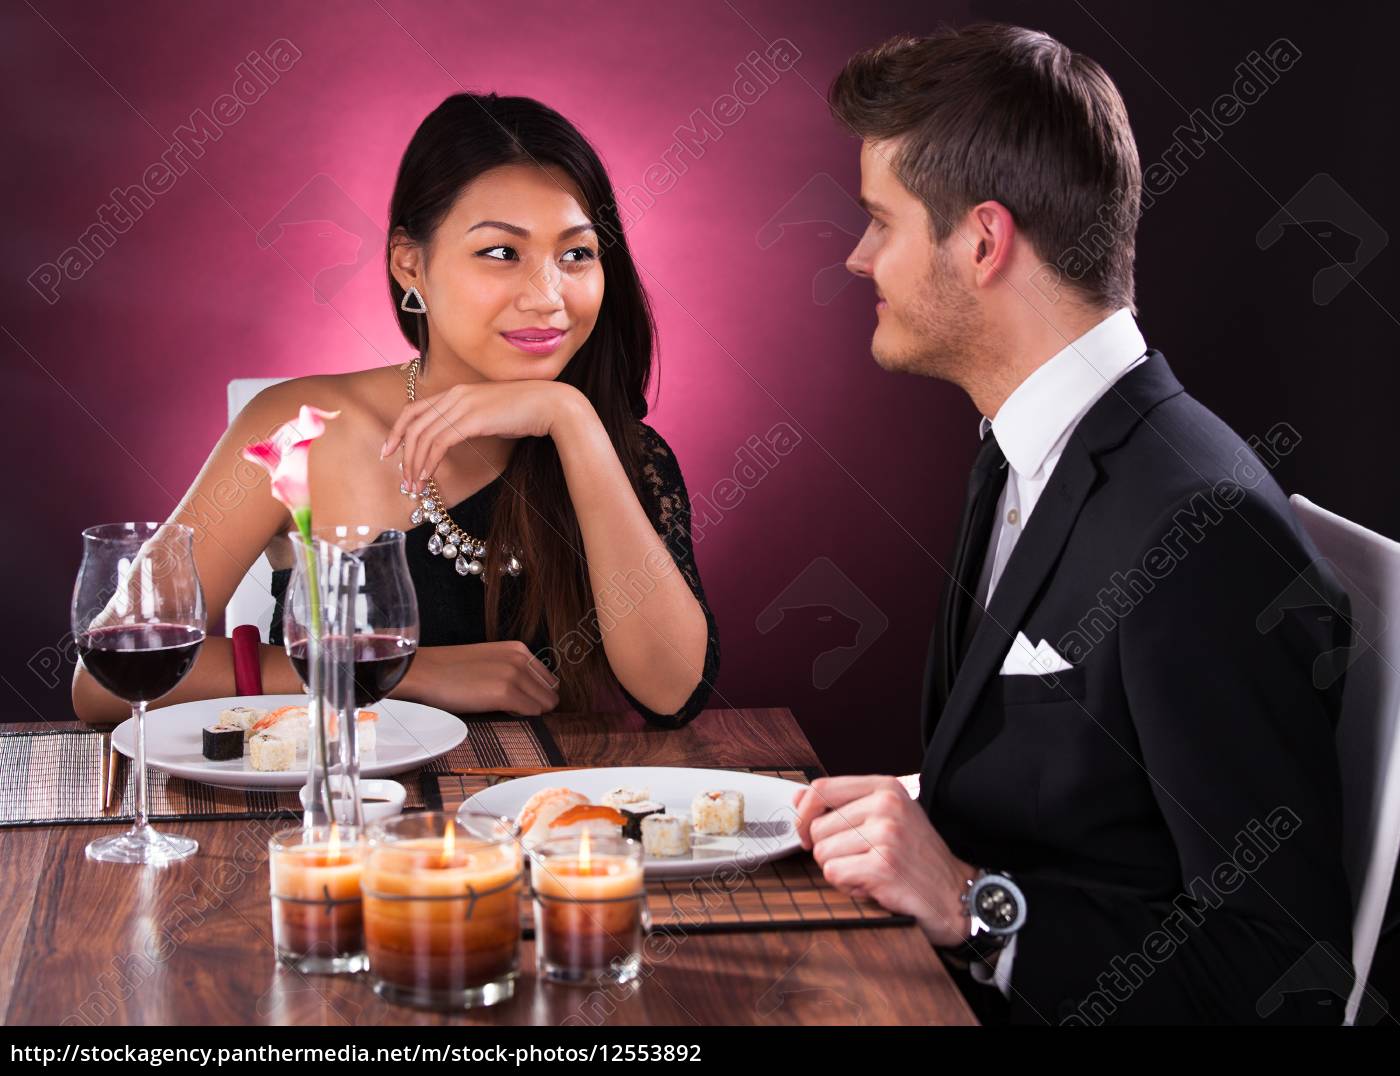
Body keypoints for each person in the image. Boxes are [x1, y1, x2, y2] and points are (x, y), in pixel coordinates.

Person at [793, 23, 1353, 1025]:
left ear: (981, 238)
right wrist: (910, 803)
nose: (856, 255)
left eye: (880, 220)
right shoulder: (1019, 447)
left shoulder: (1198, 527)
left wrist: (973, 904)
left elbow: (1280, 971)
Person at [73, 93, 719, 728]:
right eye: (501, 253)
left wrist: (570, 420)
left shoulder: (621, 453)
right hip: (330, 821)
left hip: (539, 822)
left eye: (576, 254)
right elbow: (104, 682)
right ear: (410, 264)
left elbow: (671, 693)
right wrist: (411, 672)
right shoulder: (304, 431)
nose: (549, 297)